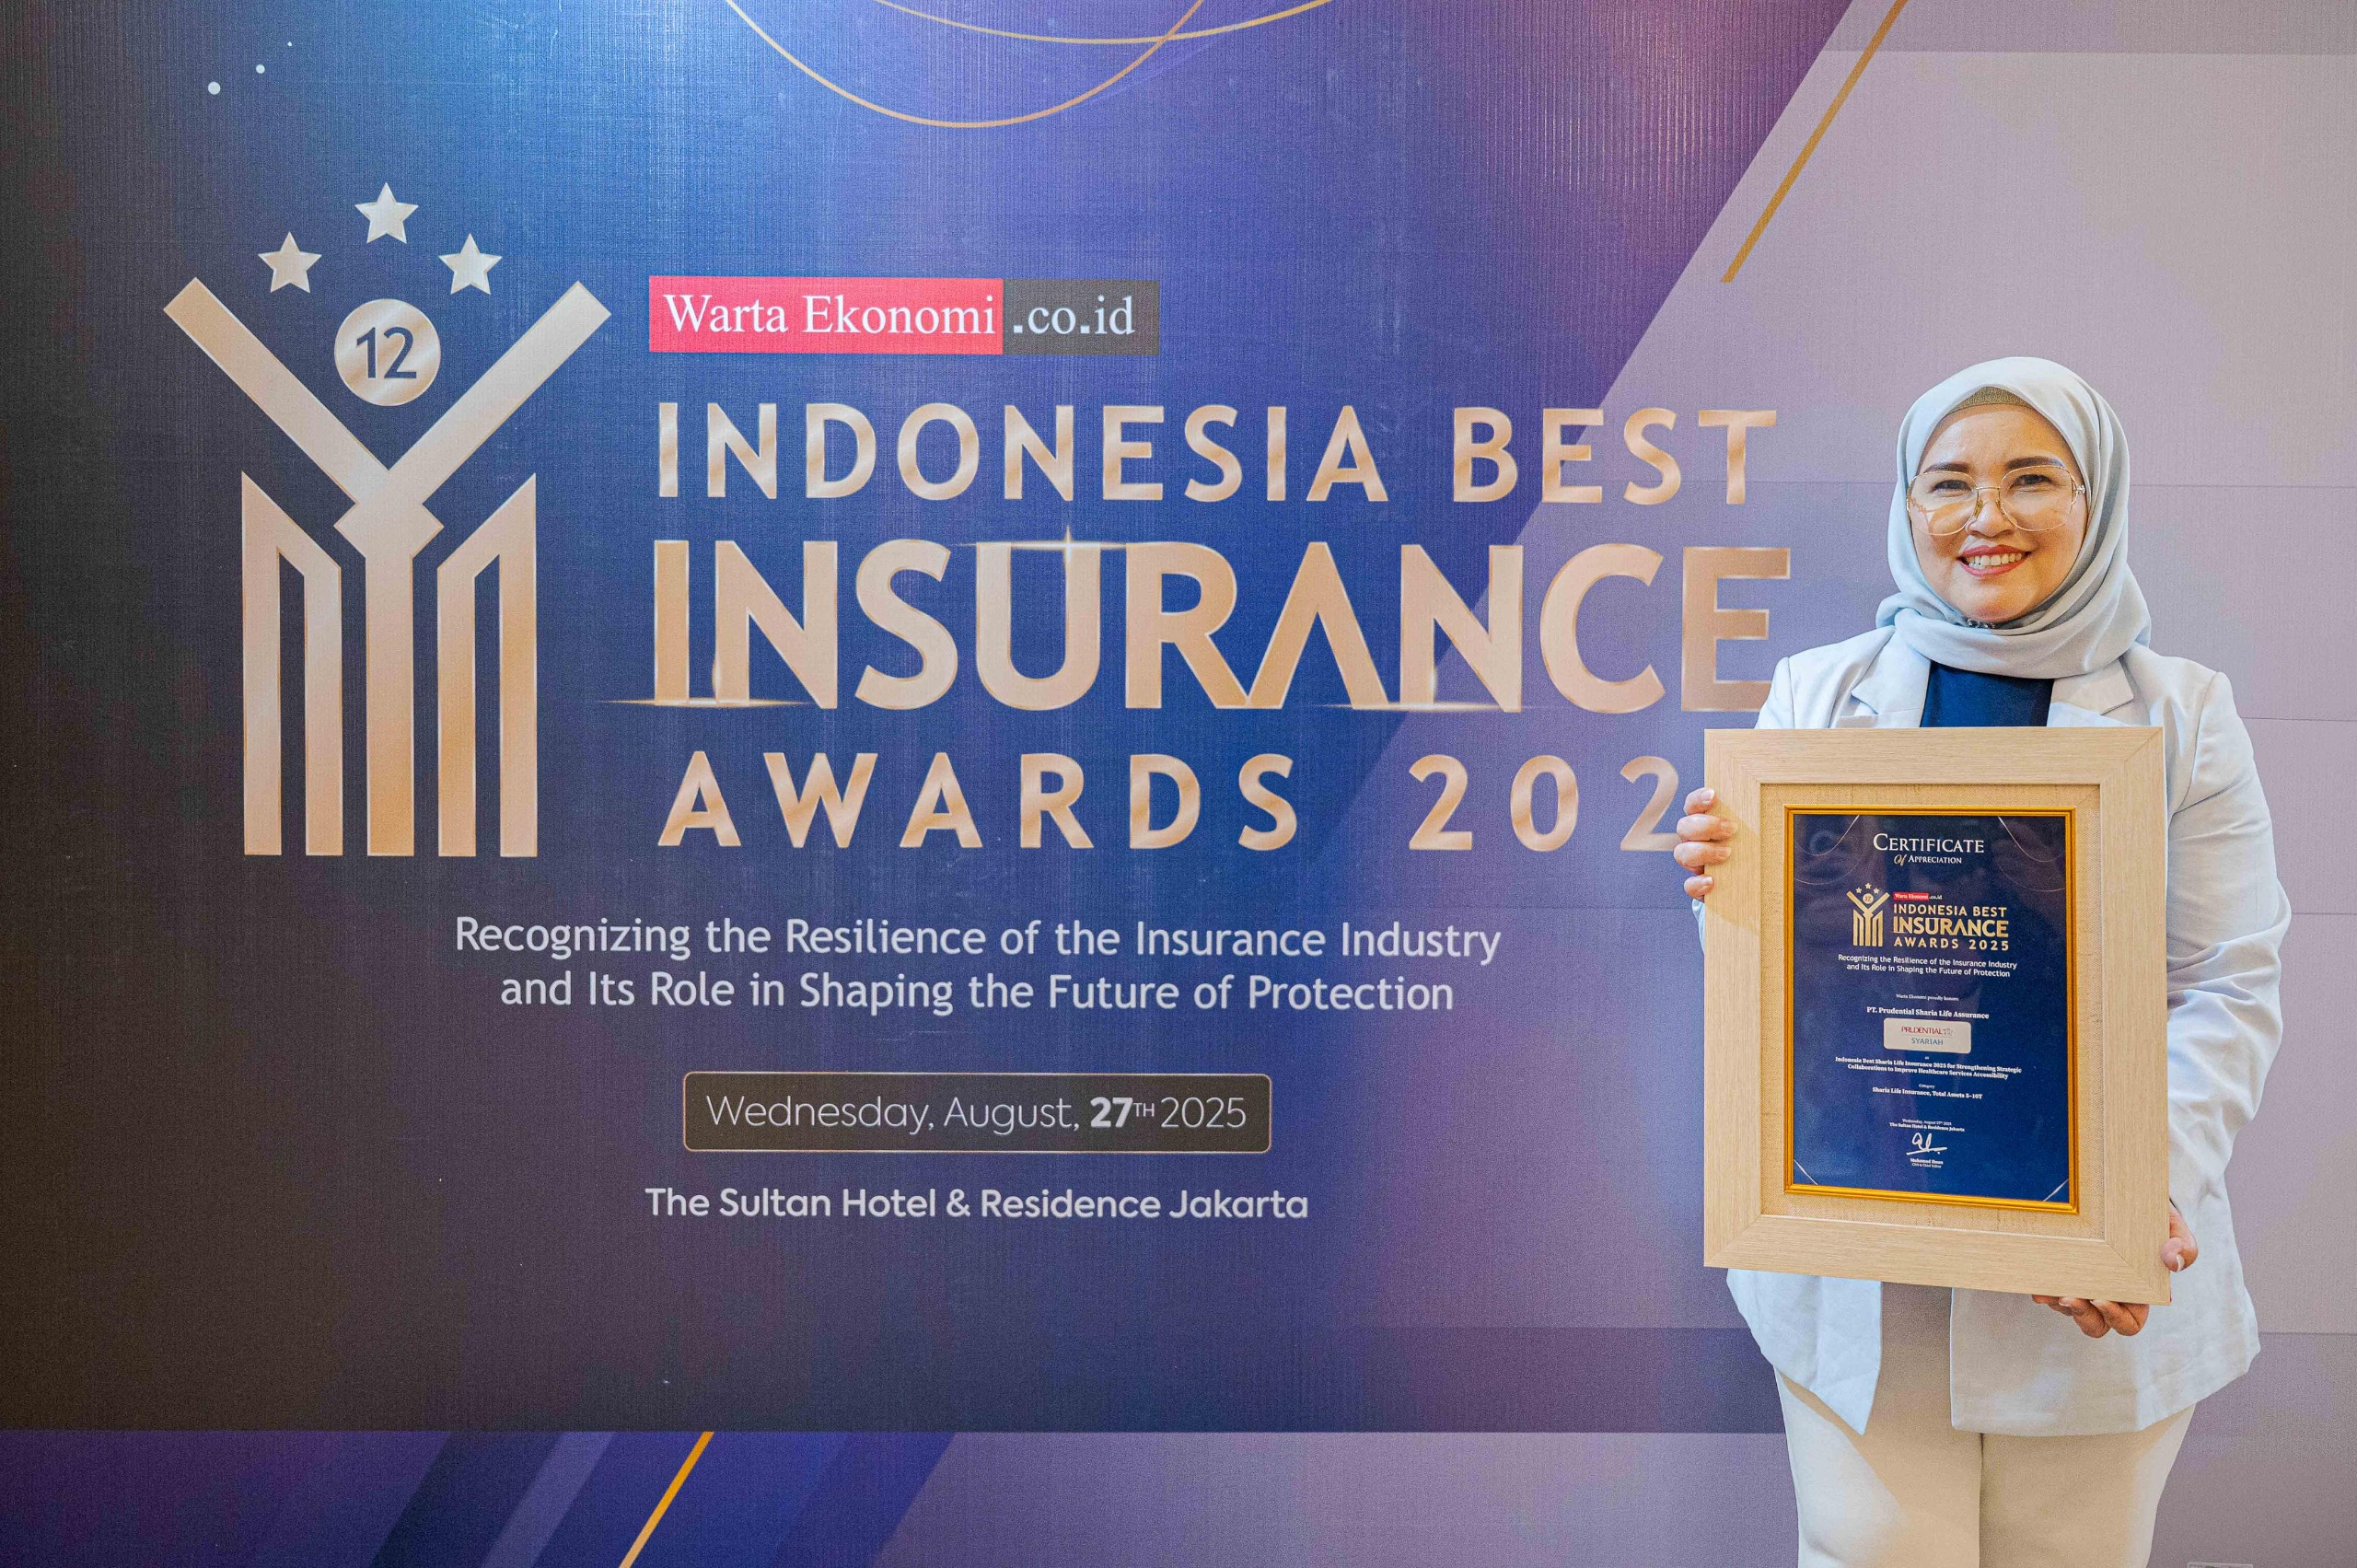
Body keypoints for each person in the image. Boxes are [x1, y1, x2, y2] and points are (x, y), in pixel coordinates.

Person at [1674, 358, 2287, 1568]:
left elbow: (2226, 983)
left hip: (2091, 1269)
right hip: (1867, 1241)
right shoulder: (1816, 692)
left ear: (2096, 497)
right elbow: (1789, 990)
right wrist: (1727, 887)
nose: (1986, 516)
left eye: (2032, 479)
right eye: (1948, 482)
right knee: (1865, 1551)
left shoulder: (2184, 714)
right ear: (1908, 505)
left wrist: (2131, 1197)